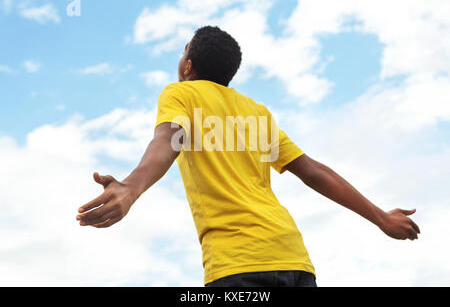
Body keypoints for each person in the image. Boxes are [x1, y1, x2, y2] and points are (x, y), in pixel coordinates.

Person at [76, 26, 421, 287]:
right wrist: (381, 218)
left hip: (237, 263)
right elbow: (314, 172)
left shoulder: (181, 93)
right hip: (293, 260)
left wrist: (131, 187)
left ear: (188, 66)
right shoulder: (256, 112)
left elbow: (169, 139)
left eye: (182, 53)